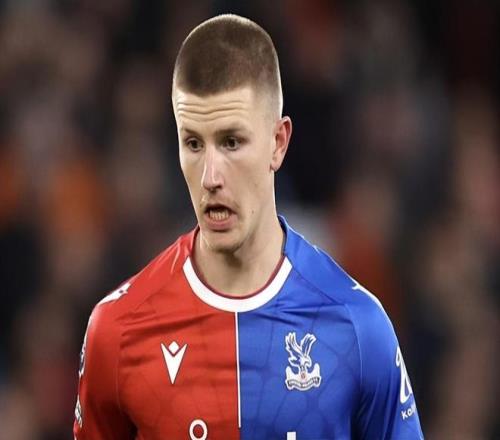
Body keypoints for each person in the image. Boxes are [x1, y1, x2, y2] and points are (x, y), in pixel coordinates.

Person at [73, 14, 423, 439]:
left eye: (231, 142)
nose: (210, 177)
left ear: (278, 143)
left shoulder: (357, 326)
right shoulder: (118, 331)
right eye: (193, 143)